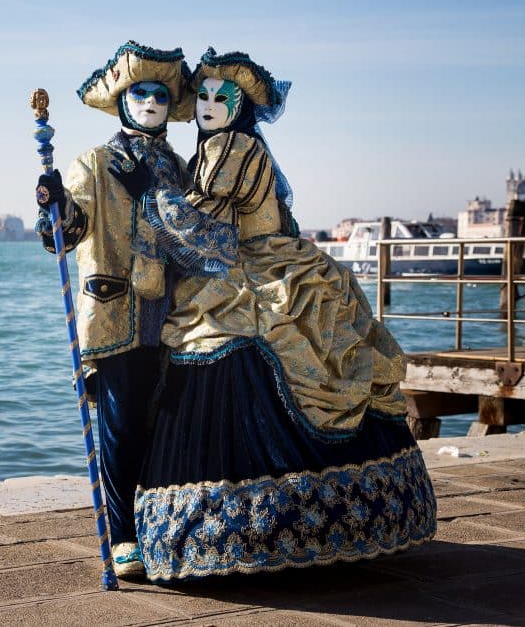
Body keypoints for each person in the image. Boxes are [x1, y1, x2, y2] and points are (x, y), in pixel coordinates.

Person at [133, 48, 437, 582]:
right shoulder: (233, 147)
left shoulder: (232, 146)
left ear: (240, 107)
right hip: (267, 262)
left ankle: (244, 530)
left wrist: (154, 198)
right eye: (201, 96)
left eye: (218, 98)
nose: (206, 106)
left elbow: (208, 217)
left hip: (257, 272)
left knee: (233, 344)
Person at [35, 41, 234, 577]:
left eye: (159, 93)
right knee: (121, 426)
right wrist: (53, 203)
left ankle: (159, 525)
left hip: (176, 316)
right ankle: (123, 537)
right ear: (123, 101)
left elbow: (205, 244)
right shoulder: (95, 163)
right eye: (138, 91)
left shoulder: (182, 170)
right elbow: (65, 234)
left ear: (172, 105)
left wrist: (159, 199)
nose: (149, 100)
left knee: (167, 422)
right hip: (115, 311)